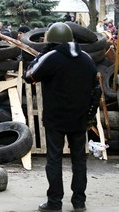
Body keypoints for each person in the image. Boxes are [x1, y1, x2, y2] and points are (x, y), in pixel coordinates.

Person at [24, 22, 100, 212]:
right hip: (80, 118)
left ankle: (54, 202)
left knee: (54, 160)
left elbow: (29, 76)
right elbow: (95, 88)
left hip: (55, 119)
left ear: (51, 40)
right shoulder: (87, 58)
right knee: (79, 160)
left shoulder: (51, 58)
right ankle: (79, 201)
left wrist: (40, 56)